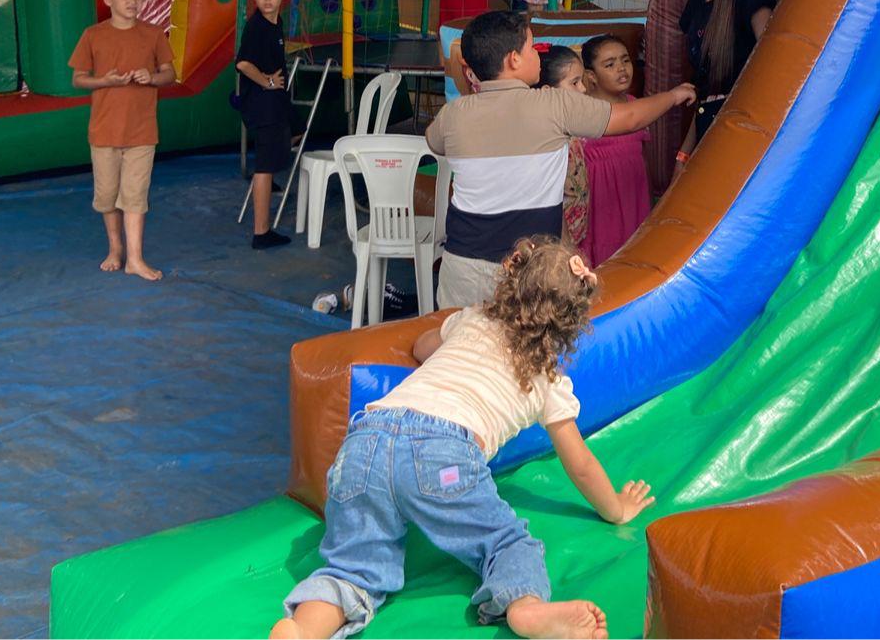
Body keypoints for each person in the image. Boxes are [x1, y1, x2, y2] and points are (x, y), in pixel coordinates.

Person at [272, 238, 651, 640]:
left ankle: (303, 629)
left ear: (511, 282)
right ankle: (526, 606)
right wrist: (616, 508)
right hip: (443, 458)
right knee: (508, 544)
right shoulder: (546, 377)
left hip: (365, 442)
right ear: (570, 324)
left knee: (350, 568)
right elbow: (580, 463)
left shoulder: (471, 320)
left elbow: (422, 346)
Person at [426, 11, 694, 309]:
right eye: (531, 47)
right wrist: (673, 96)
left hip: (463, 265)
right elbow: (630, 118)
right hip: (531, 270)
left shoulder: (453, 114)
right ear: (514, 59)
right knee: (531, 337)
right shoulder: (555, 105)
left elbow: (433, 141)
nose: (537, 55)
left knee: (464, 337)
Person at [68, 0, 177, 281]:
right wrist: (106, 81)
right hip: (104, 132)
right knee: (107, 196)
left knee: (135, 196)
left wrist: (151, 77)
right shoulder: (93, 35)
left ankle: (136, 259)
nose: (133, 1)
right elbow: (78, 79)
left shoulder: (153, 34)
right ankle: (116, 249)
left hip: (142, 131)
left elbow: (169, 74)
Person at [675, 0, 776, 163]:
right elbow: (705, 93)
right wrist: (683, 154)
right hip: (708, 132)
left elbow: (773, 65)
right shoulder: (694, 6)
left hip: (745, 135)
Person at [234, 0, 294, 251]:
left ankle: (267, 178)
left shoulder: (275, 21)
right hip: (263, 104)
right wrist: (267, 81)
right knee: (264, 167)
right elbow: (243, 64)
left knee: (297, 128)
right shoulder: (257, 26)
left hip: (275, 103)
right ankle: (261, 232)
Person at [579, 36, 651, 267]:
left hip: (633, 201)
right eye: (609, 64)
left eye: (625, 60)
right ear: (591, 76)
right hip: (600, 209)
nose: (621, 68)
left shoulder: (636, 106)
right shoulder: (582, 111)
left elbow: (643, 159)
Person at [537, 45, 589, 249]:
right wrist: (566, 246)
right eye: (575, 83)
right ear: (548, 92)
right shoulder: (550, 139)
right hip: (557, 242)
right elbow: (552, 195)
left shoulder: (572, 127)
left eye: (582, 81)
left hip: (576, 234)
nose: (583, 89)